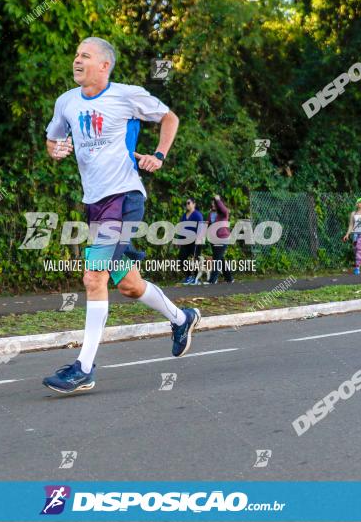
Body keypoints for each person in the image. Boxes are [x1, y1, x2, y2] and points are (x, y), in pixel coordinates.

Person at [42, 36, 201, 394]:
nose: (76, 60)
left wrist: (158, 156)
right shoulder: (66, 102)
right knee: (128, 285)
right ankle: (182, 318)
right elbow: (52, 141)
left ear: (104, 65)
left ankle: (83, 368)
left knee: (93, 278)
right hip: (94, 203)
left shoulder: (127, 95)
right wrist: (57, 150)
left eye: (85, 55)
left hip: (125, 197)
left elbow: (169, 117)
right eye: (75, 54)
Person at [207, 194, 234, 284]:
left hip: (222, 238)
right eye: (212, 203)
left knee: (216, 259)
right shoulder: (211, 213)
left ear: (219, 203)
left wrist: (218, 200)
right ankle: (229, 278)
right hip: (213, 239)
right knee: (220, 258)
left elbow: (224, 209)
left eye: (215, 203)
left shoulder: (223, 213)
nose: (213, 204)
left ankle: (212, 280)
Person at [178, 198, 203, 284]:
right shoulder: (184, 215)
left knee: (195, 259)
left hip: (195, 241)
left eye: (189, 203)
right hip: (185, 241)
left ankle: (196, 278)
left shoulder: (197, 215)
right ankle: (189, 276)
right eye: (186, 203)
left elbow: (201, 228)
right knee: (181, 258)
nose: (187, 205)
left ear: (194, 204)